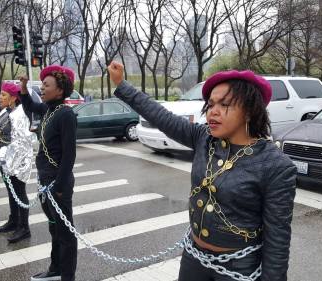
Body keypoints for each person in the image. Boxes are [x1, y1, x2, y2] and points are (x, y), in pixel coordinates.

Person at [107, 61, 297, 281]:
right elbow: (162, 117)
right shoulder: (203, 139)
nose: (213, 112)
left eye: (224, 104)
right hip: (194, 257)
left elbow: (278, 239)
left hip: (240, 267)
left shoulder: (275, 165)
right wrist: (122, 84)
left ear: (249, 112)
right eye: (211, 104)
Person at [20, 65, 77, 281]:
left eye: (46, 85)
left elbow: (69, 156)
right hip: (45, 182)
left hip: (58, 184)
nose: (42, 89)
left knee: (66, 234)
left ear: (60, 90)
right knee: (54, 228)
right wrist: (24, 88)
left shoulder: (66, 115)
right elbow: (29, 105)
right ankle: (56, 269)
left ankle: (67, 276)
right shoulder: (48, 110)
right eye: (42, 85)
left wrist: (60, 187)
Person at [0, 82, 35, 243]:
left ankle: (24, 227)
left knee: (19, 192)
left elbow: (22, 141)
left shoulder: (20, 113)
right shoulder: (6, 111)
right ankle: (14, 220)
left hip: (18, 159)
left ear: (13, 98)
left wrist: (12, 162)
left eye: (3, 94)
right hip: (6, 157)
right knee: (11, 191)